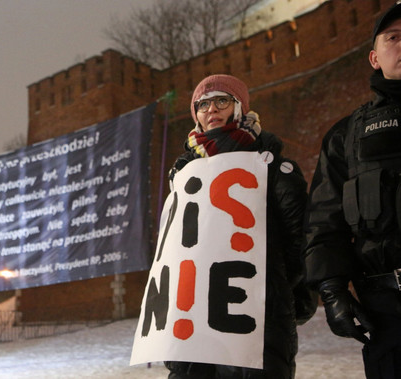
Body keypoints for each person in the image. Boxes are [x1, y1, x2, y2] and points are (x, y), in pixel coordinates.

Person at [164, 74, 310, 378]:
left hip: (257, 314)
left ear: (239, 106)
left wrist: (277, 291)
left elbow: (299, 239)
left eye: (222, 100)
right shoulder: (182, 174)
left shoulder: (272, 167)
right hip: (193, 316)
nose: (211, 109)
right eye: (202, 104)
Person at [304, 3, 401, 378]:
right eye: (394, 37)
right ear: (375, 58)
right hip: (388, 311)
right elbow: (324, 221)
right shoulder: (346, 137)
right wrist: (331, 291)